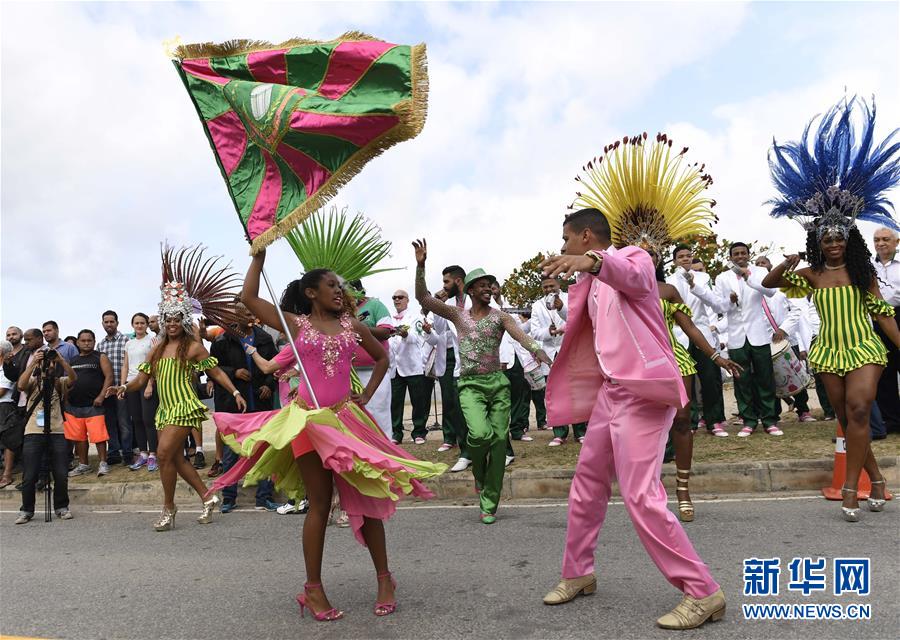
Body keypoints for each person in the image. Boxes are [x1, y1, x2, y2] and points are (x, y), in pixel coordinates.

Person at [542, 132, 725, 629]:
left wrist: (593, 262)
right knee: (586, 485)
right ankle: (578, 572)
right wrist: (571, 279)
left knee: (641, 493)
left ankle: (702, 591)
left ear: (585, 238)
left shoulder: (635, 259)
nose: (563, 248)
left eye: (566, 240)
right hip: (609, 396)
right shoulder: (589, 282)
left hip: (643, 394)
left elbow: (632, 274)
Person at [212, 250, 446, 621]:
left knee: (367, 500)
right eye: (331, 285)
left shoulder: (353, 326)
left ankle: (385, 579)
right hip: (307, 421)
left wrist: (365, 396)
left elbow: (382, 358)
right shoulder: (295, 325)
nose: (339, 291)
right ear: (310, 293)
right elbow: (249, 298)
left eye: (341, 286)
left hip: (346, 420)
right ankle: (313, 590)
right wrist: (258, 257)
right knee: (319, 505)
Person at [763, 95, 900, 522]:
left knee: (860, 408)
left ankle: (849, 489)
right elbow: (768, 285)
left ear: (850, 240)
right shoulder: (810, 275)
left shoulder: (863, 276)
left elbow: (883, 314)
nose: (835, 243)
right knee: (846, 416)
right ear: (818, 242)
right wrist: (786, 265)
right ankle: (875, 479)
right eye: (827, 239)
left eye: (841, 237)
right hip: (828, 351)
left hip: (863, 347)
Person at [110, 246, 249, 531]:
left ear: (183, 321)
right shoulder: (157, 348)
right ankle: (208, 497)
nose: (172, 324)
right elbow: (141, 379)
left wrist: (234, 392)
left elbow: (217, 372)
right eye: (168, 319)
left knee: (162, 455)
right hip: (165, 408)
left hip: (184, 407)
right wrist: (124, 386)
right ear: (163, 322)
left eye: (177, 319)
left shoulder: (193, 347)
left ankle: (169, 508)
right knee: (173, 457)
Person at [414, 239, 550, 524]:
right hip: (470, 386)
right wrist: (421, 266)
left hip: (498, 384)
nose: (488, 289)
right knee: (478, 435)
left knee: (499, 440)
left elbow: (519, 335)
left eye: (490, 285)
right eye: (483, 285)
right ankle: (479, 475)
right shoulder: (457, 314)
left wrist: (537, 350)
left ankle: (489, 501)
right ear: (471, 289)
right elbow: (425, 301)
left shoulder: (500, 317)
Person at [654, 256, 743, 521]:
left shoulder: (668, 291)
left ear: (657, 260)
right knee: (646, 429)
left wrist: (716, 357)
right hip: (637, 367)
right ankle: (648, 492)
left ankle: (683, 490)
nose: (643, 260)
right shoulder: (620, 290)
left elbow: (689, 326)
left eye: (650, 256)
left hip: (673, 360)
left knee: (682, 421)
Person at [689, 243, 783, 436]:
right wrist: (728, 301)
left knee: (765, 378)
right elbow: (718, 306)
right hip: (736, 336)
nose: (740, 256)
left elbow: (771, 292)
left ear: (748, 255)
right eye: (736, 254)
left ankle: (769, 420)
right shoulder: (723, 278)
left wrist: (750, 279)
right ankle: (748, 420)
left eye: (743, 253)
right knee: (742, 379)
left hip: (759, 334)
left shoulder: (759, 271)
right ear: (730, 256)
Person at [209, 299, 279, 512]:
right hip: (234, 405)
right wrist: (234, 372)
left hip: (260, 402)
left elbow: (276, 366)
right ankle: (229, 497)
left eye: (252, 313)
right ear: (235, 317)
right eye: (246, 313)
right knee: (232, 452)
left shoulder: (264, 339)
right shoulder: (222, 340)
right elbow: (211, 368)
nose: (251, 317)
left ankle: (264, 497)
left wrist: (268, 385)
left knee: (263, 449)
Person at [667, 245, 729, 435]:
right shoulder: (668, 281)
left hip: (702, 330)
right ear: (675, 260)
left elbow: (716, 304)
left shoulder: (703, 278)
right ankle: (690, 421)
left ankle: (714, 420)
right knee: (686, 381)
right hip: (679, 334)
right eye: (681, 256)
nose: (685, 259)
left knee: (710, 377)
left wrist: (695, 286)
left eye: (688, 256)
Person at [15, 349, 78, 523]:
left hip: (57, 431)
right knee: (29, 474)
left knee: (60, 473)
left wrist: (60, 360)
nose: (48, 366)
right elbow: (20, 385)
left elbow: (74, 379)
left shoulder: (59, 382)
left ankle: (61, 507)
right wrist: (34, 362)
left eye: (51, 363)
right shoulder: (33, 382)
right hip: (33, 431)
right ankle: (26, 510)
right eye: (46, 362)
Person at [755, 256, 816, 422]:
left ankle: (803, 410)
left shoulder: (781, 286)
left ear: (770, 266)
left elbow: (796, 310)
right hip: (764, 341)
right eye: (758, 263)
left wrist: (783, 329)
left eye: (764, 262)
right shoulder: (753, 289)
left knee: (795, 373)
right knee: (769, 379)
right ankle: (773, 414)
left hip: (788, 340)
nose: (761, 265)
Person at [434, 266, 472, 472]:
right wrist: (439, 304)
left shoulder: (474, 298)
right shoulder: (448, 304)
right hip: (460, 366)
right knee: (458, 410)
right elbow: (439, 329)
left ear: (458, 281)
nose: (443, 287)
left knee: (485, 412)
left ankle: (501, 452)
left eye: (446, 282)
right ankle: (466, 453)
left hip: (481, 364)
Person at [388, 290, 435, 445]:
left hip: (413, 365)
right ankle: (396, 433)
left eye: (400, 297)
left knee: (418, 400)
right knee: (395, 401)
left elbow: (419, 337)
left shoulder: (416, 317)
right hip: (395, 366)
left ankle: (419, 432)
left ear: (407, 300)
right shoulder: (389, 319)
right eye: (394, 297)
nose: (397, 300)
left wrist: (406, 335)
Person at [65, 330, 113, 477]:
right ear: (78, 342)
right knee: (79, 437)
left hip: (94, 404)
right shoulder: (72, 360)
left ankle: (103, 463)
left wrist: (101, 396)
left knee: (99, 436)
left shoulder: (100, 357)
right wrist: (66, 399)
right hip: (74, 406)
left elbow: (109, 377)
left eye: (89, 340)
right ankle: (84, 465)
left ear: (94, 341)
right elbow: (66, 381)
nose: (86, 343)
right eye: (83, 340)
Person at [871, 226, 899, 434]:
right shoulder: (866, 266)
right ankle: (891, 420)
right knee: (885, 371)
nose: (881, 243)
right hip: (877, 321)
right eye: (877, 240)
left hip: (899, 315)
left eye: (885, 239)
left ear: (896, 242)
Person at [122, 313, 159, 471]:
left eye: (142, 323)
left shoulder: (152, 341)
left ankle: (153, 455)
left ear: (146, 325)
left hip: (146, 383)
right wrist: (123, 385)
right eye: (136, 323)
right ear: (132, 325)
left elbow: (155, 363)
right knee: (136, 419)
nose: (139, 326)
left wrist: (150, 384)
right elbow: (125, 365)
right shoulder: (129, 343)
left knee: (148, 419)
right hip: (131, 384)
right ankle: (143, 454)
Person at [97, 310, 131, 465]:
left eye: (112, 321)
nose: (109, 324)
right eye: (106, 322)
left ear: (117, 323)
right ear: (102, 323)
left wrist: (123, 386)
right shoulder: (100, 345)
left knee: (124, 422)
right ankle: (114, 453)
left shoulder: (126, 341)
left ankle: (127, 453)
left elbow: (128, 365)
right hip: (107, 391)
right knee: (109, 422)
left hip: (122, 388)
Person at [0, 341, 18, 488]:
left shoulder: (7, 367)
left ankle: (7, 475)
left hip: (5, 406)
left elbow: (2, 391)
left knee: (8, 440)